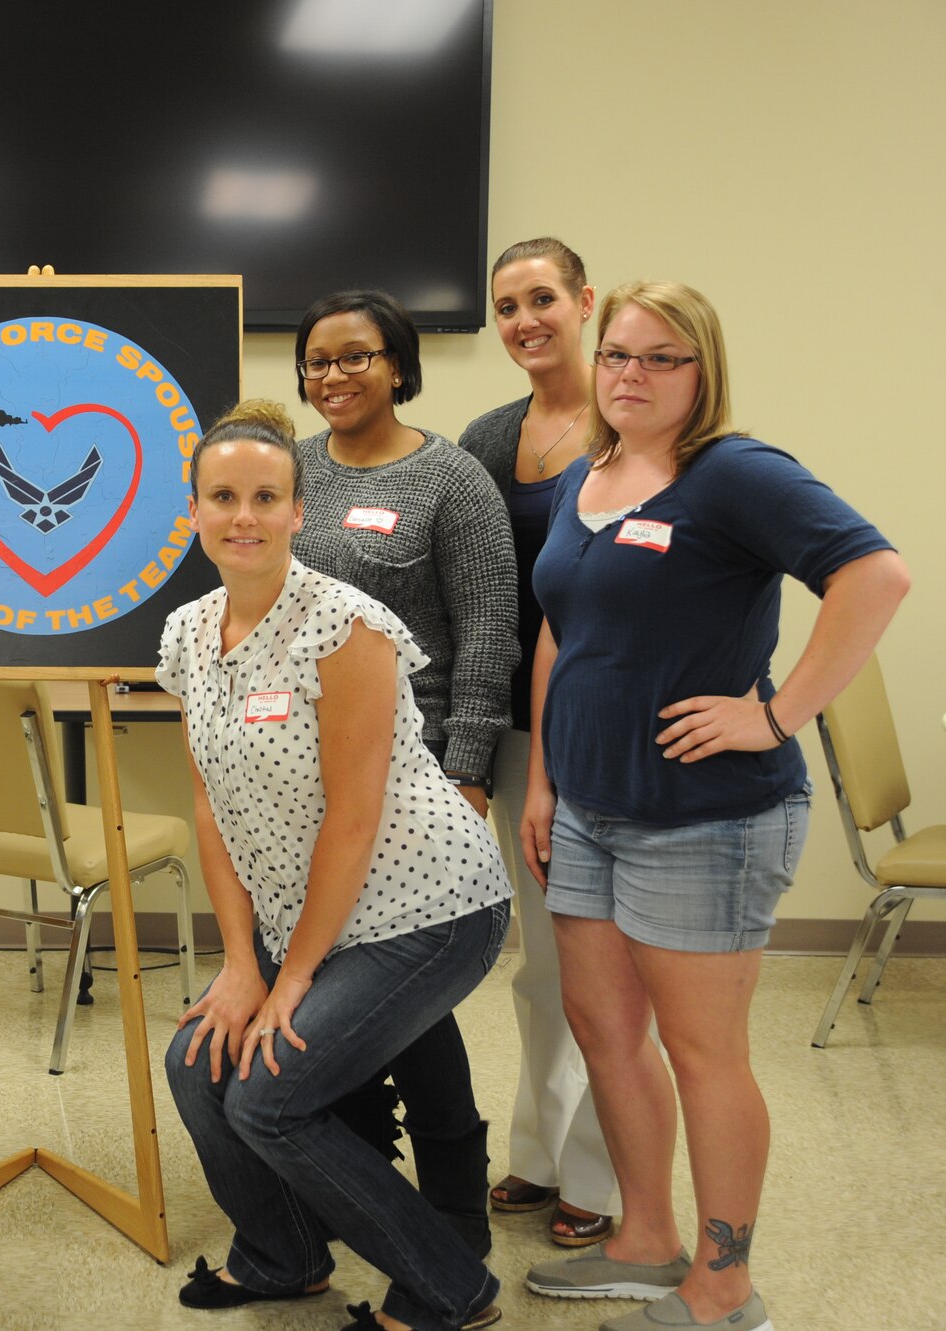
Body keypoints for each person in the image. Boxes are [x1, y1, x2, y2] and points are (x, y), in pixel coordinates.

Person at [520, 282, 908, 1331]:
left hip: (707, 817)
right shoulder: (586, 475)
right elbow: (561, 627)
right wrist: (546, 781)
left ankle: (723, 1287)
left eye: (660, 358)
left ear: (703, 373)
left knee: (703, 1052)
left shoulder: (733, 473)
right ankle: (646, 1238)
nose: (630, 376)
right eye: (616, 356)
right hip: (590, 804)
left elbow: (874, 576)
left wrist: (775, 716)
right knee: (602, 1028)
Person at [160, 401, 512, 1331]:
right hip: (309, 914)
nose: (244, 515)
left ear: (297, 512)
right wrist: (242, 964)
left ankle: (452, 1287)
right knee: (199, 1061)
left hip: (426, 907)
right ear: (192, 511)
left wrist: (295, 977)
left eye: (265, 497)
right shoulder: (190, 633)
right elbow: (211, 804)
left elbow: (354, 820)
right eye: (223, 496)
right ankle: (282, 1256)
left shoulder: (345, 624)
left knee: (271, 1096)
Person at [289, 289, 517, 1253]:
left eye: (356, 357)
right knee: (329, 978)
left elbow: (489, 629)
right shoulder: (290, 470)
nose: (334, 376)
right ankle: (354, 1173)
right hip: (297, 772)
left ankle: (456, 1204)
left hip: (410, 776)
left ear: (399, 366)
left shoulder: (452, 479)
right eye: (317, 360)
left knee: (403, 995)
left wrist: (468, 771)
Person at [457, 238, 620, 1247]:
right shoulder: (486, 436)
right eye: (507, 304)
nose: (524, 319)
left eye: (542, 298)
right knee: (538, 966)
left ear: (583, 301)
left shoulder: (634, 418)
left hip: (602, 735)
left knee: (602, 965)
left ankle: (599, 1174)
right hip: (517, 734)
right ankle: (536, 1148)